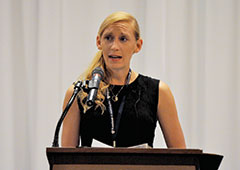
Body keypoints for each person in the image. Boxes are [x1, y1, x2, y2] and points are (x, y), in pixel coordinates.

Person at [61, 11, 186, 148]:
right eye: (108, 38)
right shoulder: (78, 93)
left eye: (123, 39)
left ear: (138, 45)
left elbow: (181, 158)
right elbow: (66, 160)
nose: (114, 46)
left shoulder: (158, 91)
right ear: (99, 42)